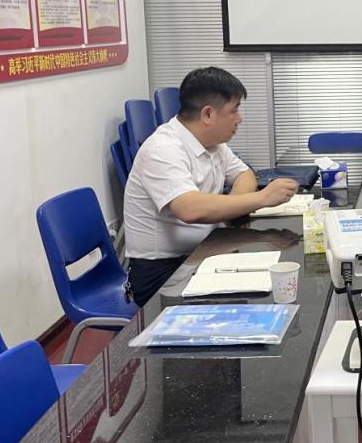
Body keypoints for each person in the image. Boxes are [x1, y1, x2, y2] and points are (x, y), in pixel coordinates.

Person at [123, 67, 298, 306]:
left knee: (270, 279)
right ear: (208, 114)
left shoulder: (213, 143)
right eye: (234, 110)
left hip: (206, 250)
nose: (239, 118)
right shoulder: (162, 149)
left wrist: (235, 205)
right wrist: (262, 198)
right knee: (257, 303)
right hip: (164, 274)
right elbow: (190, 209)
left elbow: (244, 174)